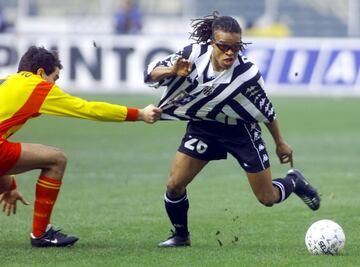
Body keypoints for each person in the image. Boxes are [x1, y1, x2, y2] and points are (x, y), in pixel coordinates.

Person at [144, 12, 320, 247]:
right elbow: (151, 73)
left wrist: (280, 142)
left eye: (236, 48)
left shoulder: (248, 75)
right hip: (204, 126)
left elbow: (267, 111)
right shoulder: (193, 54)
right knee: (174, 185)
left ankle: (294, 182)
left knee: (267, 198)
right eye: (224, 46)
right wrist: (172, 71)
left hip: (241, 131)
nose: (230, 53)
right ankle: (181, 235)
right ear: (212, 43)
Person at [0, 46, 162, 247]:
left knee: (6, 181)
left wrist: (10, 187)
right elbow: (88, 109)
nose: (55, 84)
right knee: (56, 159)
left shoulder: (7, 80)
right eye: (55, 78)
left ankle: (27, 214)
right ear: (41, 73)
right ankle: (41, 234)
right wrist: (139, 114)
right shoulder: (37, 86)